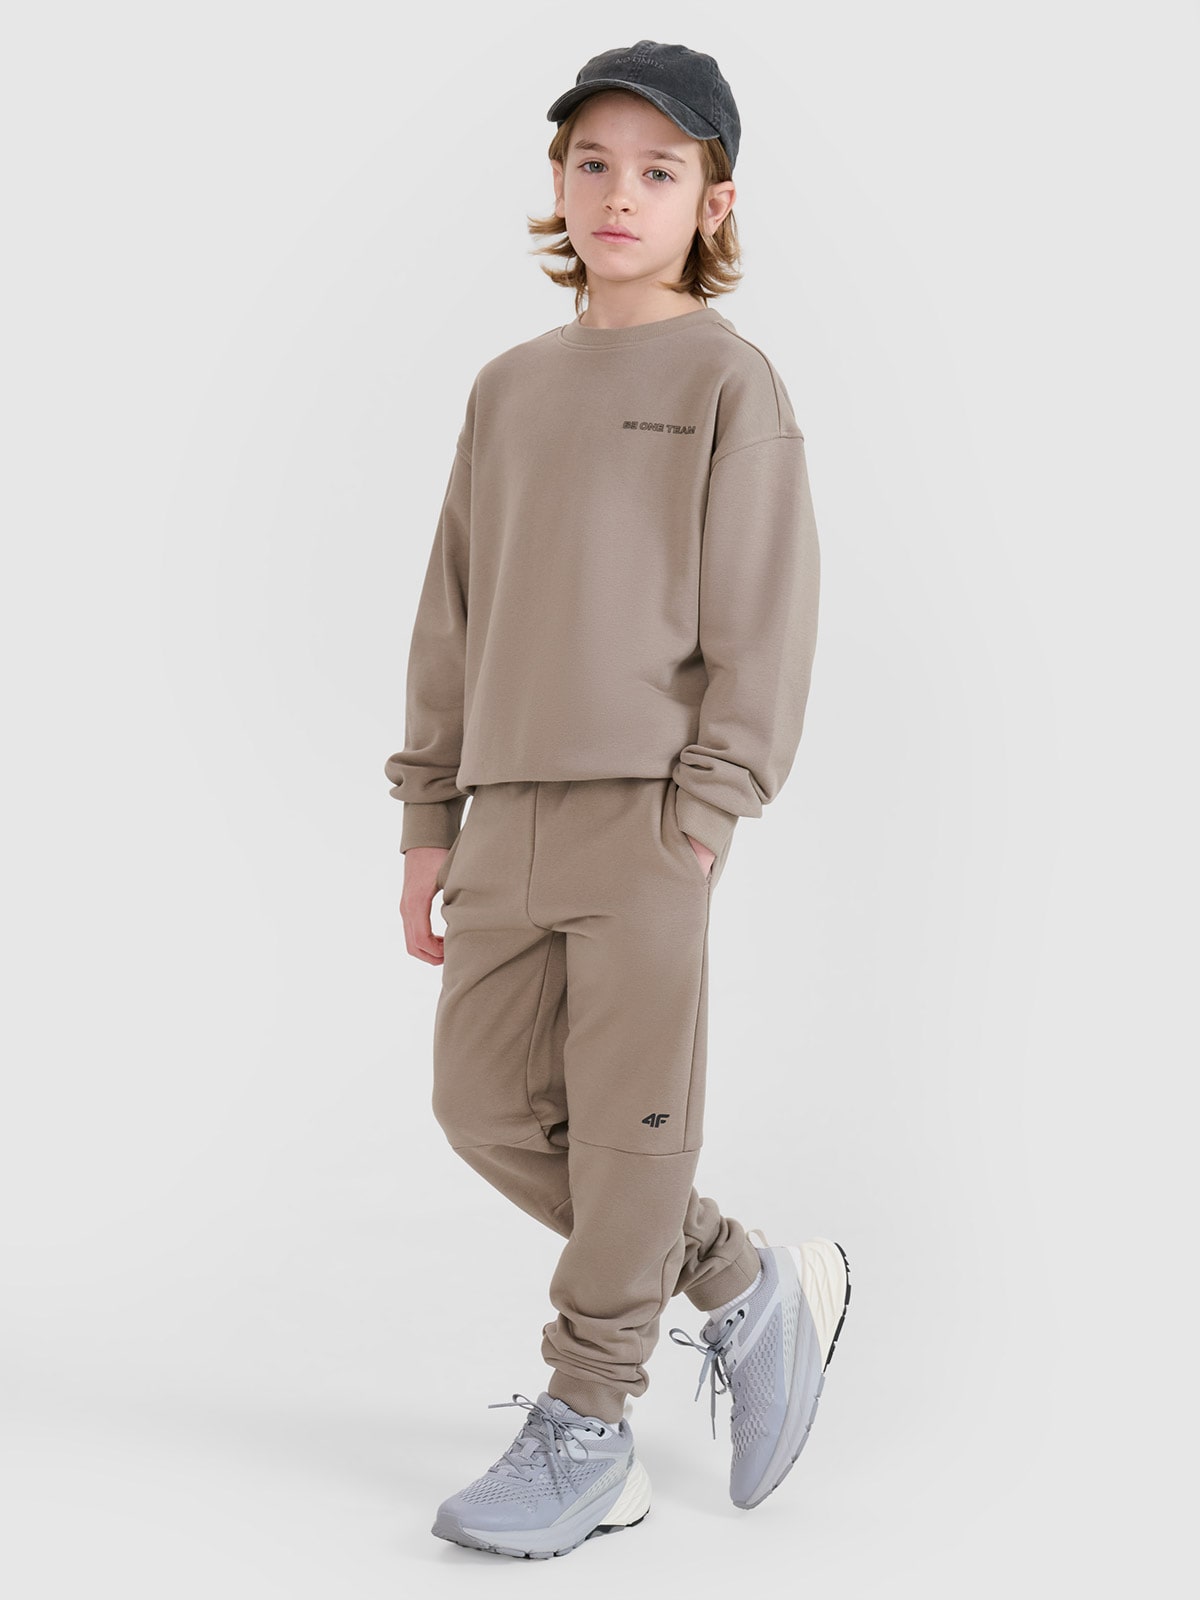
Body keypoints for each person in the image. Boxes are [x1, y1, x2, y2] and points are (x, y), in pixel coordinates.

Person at [383, 39, 851, 1560]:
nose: (619, 193)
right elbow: (452, 612)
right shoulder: (509, 387)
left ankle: (590, 1421)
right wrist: (428, 816)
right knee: (481, 1107)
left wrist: (707, 807)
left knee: (633, 1127)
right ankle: (739, 1279)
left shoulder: (728, 378)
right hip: (502, 809)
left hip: (651, 814)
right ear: (558, 180)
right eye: (593, 162)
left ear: (715, 201)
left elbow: (765, 608)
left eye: (659, 169)